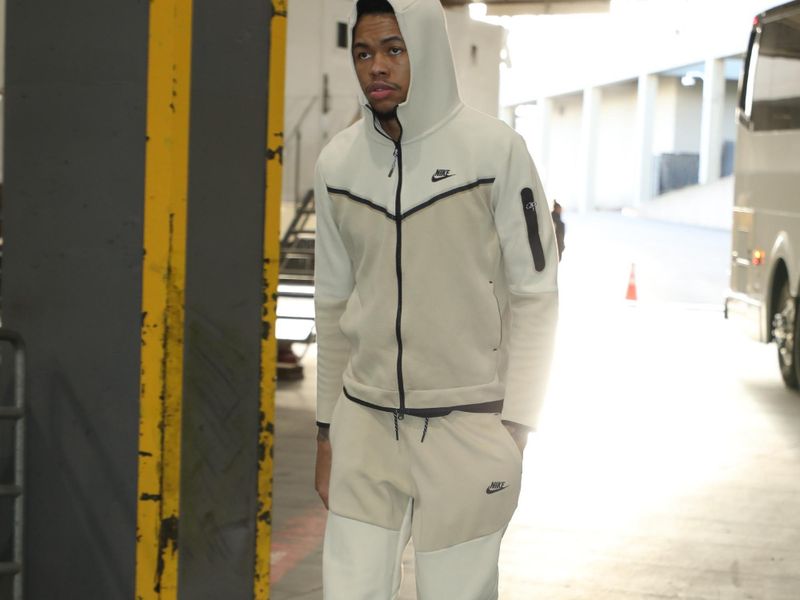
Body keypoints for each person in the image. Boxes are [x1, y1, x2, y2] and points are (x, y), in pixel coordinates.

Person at [313, 0, 559, 597]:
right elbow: (331, 303)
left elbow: (536, 292)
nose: (378, 67)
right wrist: (326, 431)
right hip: (364, 427)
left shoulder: (493, 151)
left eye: (394, 50)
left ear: (424, 50)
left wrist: (517, 424)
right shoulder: (338, 164)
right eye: (364, 53)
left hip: (466, 428)